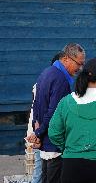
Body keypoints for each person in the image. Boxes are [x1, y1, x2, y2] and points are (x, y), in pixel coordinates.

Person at [26, 43, 85, 183]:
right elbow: (54, 112)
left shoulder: (46, 72)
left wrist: (38, 130)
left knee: (45, 177)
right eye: (79, 64)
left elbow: (37, 105)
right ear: (66, 59)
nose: (80, 68)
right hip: (54, 144)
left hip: (44, 142)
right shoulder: (61, 80)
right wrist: (39, 132)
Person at [25, 52, 63, 183]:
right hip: (42, 134)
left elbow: (36, 109)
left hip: (37, 131)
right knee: (40, 173)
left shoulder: (42, 79)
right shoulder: (56, 81)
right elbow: (49, 111)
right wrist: (38, 131)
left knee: (40, 172)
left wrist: (37, 129)